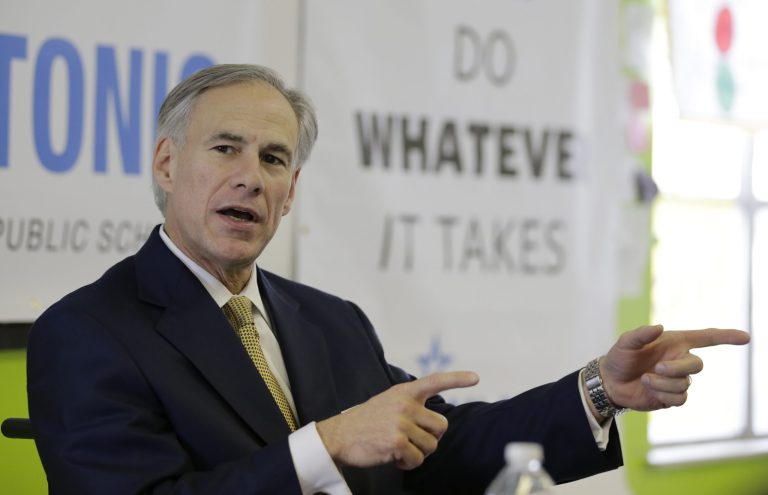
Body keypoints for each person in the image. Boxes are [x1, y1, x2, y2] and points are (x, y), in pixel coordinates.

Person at [27, 64, 750, 495]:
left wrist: (599, 389)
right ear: (165, 165)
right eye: (226, 148)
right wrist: (327, 442)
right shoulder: (88, 331)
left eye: (275, 160)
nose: (251, 176)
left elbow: (443, 443)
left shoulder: (329, 319)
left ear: (292, 191)